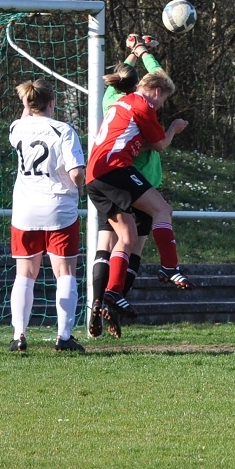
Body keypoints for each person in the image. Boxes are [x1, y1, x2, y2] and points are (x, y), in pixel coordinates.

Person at [86, 68, 194, 324]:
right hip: (114, 170)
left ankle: (113, 292)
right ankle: (170, 267)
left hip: (95, 177)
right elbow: (160, 145)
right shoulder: (142, 105)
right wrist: (173, 129)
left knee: (127, 236)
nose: (161, 105)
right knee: (162, 210)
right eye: (164, 100)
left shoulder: (121, 101)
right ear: (157, 91)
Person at [90, 34, 166, 339]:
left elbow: (119, 78)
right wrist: (144, 51)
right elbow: (159, 78)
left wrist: (131, 55)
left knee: (104, 245)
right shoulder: (145, 106)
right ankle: (114, 304)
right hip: (138, 183)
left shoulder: (112, 100)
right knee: (133, 247)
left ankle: (97, 303)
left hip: (105, 179)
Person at [8, 79, 86, 353]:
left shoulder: (17, 128)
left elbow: (24, 119)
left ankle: (19, 335)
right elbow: (76, 173)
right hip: (59, 210)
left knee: (25, 274)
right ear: (52, 103)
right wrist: (82, 186)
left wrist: (26, 106)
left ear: (27, 104)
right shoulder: (63, 130)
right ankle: (64, 337)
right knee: (64, 273)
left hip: (25, 210)